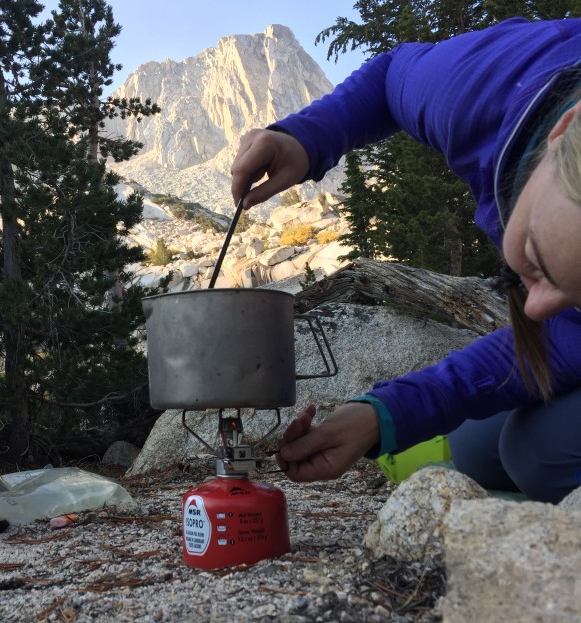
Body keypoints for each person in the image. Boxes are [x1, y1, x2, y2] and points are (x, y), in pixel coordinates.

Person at [229, 17, 581, 504]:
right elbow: (393, 78)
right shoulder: (491, 86)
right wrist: (305, 138)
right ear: (561, 131)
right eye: (540, 262)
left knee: (539, 455)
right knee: (475, 449)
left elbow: (567, 336)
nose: (536, 308)